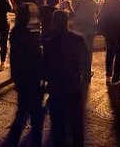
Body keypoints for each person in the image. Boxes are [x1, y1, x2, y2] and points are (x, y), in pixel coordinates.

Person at [43, 11, 90, 147]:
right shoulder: (79, 39)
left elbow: (45, 64)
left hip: (57, 87)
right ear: (67, 21)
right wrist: (84, 79)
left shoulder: (49, 40)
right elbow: (86, 61)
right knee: (76, 122)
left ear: (54, 22)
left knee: (58, 123)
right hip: (74, 85)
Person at [8, 3, 44, 147]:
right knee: (35, 112)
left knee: (22, 110)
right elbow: (36, 55)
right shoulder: (31, 34)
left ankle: (13, 140)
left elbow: (15, 57)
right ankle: (36, 141)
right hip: (32, 76)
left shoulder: (16, 31)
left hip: (21, 75)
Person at [72, 0, 99, 81]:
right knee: (88, 52)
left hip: (77, 31)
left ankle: (77, 72)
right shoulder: (92, 3)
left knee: (78, 51)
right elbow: (98, 9)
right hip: (89, 31)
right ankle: (87, 73)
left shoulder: (75, 1)